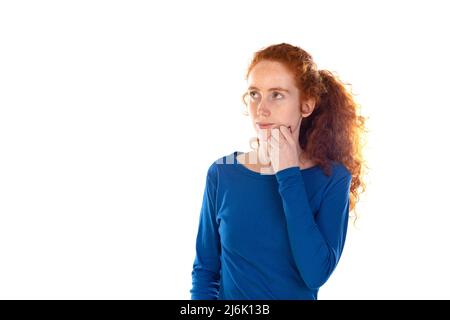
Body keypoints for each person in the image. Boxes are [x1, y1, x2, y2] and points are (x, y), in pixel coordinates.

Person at [190, 43, 367, 300]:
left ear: (306, 105)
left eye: (277, 94)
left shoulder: (332, 179)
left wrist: (288, 174)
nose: (261, 109)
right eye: (254, 94)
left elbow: (315, 273)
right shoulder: (222, 174)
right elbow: (205, 272)